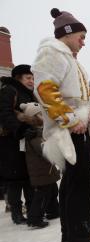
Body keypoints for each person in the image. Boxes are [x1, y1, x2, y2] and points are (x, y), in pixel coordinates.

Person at [32, 8, 90, 242]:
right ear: (67, 33)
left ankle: (74, 233)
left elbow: (85, 96)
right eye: (81, 36)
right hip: (69, 130)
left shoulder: (70, 58)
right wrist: (69, 119)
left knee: (71, 183)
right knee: (82, 183)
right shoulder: (52, 53)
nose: (84, 42)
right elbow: (45, 90)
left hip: (76, 126)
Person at [0, 64, 37, 225]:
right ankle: (16, 212)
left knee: (29, 177)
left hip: (27, 141)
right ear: (18, 78)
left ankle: (32, 210)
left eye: (33, 78)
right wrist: (20, 130)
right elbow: (4, 114)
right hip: (10, 141)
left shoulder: (30, 94)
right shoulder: (9, 90)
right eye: (28, 78)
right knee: (15, 179)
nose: (31, 81)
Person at [20, 102, 60, 228]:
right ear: (34, 118)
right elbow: (43, 150)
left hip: (47, 169)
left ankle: (53, 211)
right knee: (43, 194)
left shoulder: (41, 131)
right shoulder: (33, 134)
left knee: (53, 190)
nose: (44, 118)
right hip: (40, 170)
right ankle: (34, 219)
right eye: (41, 115)